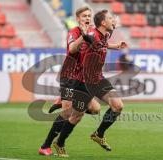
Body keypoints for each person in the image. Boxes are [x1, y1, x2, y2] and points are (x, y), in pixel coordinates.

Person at [52, 9, 128, 157]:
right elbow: (75, 48)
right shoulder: (91, 35)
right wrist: (83, 37)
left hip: (98, 78)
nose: (113, 21)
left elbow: (102, 43)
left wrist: (115, 45)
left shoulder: (106, 33)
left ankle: (98, 134)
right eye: (110, 19)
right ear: (103, 22)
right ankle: (59, 143)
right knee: (76, 117)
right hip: (83, 81)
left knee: (118, 106)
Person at [38, 6, 101, 156]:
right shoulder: (73, 32)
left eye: (89, 16)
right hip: (69, 76)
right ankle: (45, 146)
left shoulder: (93, 33)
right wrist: (83, 35)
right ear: (78, 19)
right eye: (84, 16)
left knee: (96, 109)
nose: (87, 18)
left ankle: (64, 100)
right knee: (68, 113)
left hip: (81, 77)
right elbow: (72, 49)